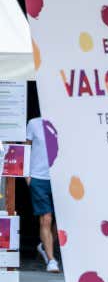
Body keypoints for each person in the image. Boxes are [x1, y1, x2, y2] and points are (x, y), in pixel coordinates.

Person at [25, 116, 59, 272]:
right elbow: (26, 148)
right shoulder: (33, 123)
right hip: (38, 177)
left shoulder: (64, 119)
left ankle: (45, 247)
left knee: (61, 222)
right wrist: (27, 175)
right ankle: (51, 261)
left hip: (61, 177)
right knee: (46, 218)